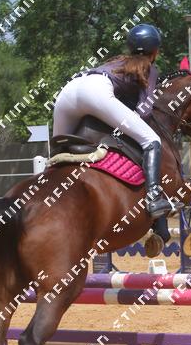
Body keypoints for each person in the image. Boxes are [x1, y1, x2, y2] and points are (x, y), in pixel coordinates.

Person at [52, 24, 172, 219]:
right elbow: (144, 111)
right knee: (151, 140)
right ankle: (154, 199)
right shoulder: (148, 68)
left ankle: (44, 190)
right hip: (96, 92)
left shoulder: (118, 60)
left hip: (68, 90)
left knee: (58, 152)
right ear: (155, 51)